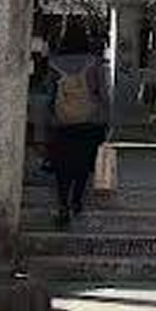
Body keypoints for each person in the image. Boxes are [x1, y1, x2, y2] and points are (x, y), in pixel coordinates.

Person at [44, 23, 108, 227]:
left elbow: (49, 95)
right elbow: (102, 93)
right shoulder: (94, 63)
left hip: (62, 122)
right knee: (83, 163)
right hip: (89, 121)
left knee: (62, 166)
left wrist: (49, 120)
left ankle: (62, 203)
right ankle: (77, 200)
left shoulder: (54, 63)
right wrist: (105, 118)